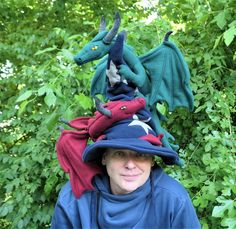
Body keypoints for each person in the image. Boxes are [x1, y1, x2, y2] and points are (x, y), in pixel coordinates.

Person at [51, 31, 201, 229]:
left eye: (140, 154)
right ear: (104, 156)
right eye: (119, 153)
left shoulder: (173, 200)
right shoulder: (74, 199)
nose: (130, 164)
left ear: (151, 159)